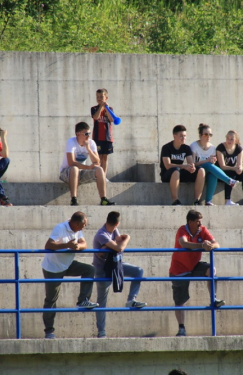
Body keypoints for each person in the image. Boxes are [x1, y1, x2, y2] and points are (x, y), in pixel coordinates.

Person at [41, 211, 98, 339]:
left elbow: (84, 243)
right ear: (77, 223)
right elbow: (48, 245)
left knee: (89, 270)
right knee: (51, 299)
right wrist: (67, 245)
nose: (85, 227)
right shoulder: (60, 228)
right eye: (84, 225)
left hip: (67, 264)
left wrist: (78, 246)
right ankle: (49, 331)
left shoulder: (77, 229)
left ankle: (83, 300)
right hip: (53, 268)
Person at [169, 209, 224, 337]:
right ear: (190, 222)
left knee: (212, 270)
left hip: (194, 266)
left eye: (200, 221)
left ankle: (213, 299)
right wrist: (201, 246)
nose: (200, 224)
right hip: (179, 269)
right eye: (198, 222)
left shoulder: (202, 230)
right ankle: (181, 328)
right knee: (179, 301)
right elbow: (183, 243)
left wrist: (210, 245)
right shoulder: (182, 230)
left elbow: (217, 244)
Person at [93, 211, 147, 338]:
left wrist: (108, 247)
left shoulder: (113, 230)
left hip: (115, 265)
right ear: (117, 223)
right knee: (102, 301)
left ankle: (131, 300)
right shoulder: (102, 234)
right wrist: (127, 237)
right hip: (102, 270)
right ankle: (102, 332)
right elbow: (119, 247)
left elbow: (117, 243)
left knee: (138, 271)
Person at [60, 121, 115, 206]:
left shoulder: (91, 142)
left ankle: (103, 199)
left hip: (81, 173)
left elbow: (97, 161)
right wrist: (88, 167)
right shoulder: (71, 142)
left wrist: (88, 149)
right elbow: (71, 162)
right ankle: (73, 199)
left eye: (89, 133)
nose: (88, 136)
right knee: (75, 169)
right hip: (67, 173)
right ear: (78, 134)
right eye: (86, 134)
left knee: (100, 170)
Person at [189, 124, 237, 206]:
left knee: (213, 174)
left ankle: (208, 201)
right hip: (196, 172)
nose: (208, 137)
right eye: (205, 134)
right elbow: (192, 164)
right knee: (207, 164)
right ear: (200, 135)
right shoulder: (194, 146)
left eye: (210, 134)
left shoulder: (212, 148)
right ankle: (228, 180)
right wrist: (207, 161)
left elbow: (211, 164)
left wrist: (213, 161)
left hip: (206, 172)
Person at [160, 125, 205, 205]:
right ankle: (175, 200)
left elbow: (191, 163)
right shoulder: (166, 148)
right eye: (181, 136)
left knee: (201, 170)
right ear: (174, 136)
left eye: (185, 136)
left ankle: (196, 200)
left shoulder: (186, 148)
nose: (184, 138)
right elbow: (167, 165)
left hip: (179, 173)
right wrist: (184, 166)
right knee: (176, 170)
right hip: (168, 175)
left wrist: (192, 168)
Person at [216, 130, 243, 206]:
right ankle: (227, 200)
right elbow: (222, 166)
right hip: (221, 173)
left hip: (232, 171)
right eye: (227, 138)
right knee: (231, 174)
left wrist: (239, 169)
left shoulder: (239, 149)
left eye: (231, 139)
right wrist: (235, 169)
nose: (229, 140)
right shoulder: (220, 148)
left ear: (236, 140)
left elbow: (240, 165)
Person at [91, 88, 116, 175]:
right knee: (99, 157)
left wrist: (106, 108)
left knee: (105, 157)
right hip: (97, 137)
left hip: (107, 137)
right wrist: (101, 106)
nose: (99, 99)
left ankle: (104, 176)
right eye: (97, 97)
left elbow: (112, 119)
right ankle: (99, 175)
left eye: (101, 97)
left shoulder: (110, 109)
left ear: (106, 98)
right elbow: (96, 117)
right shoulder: (94, 108)